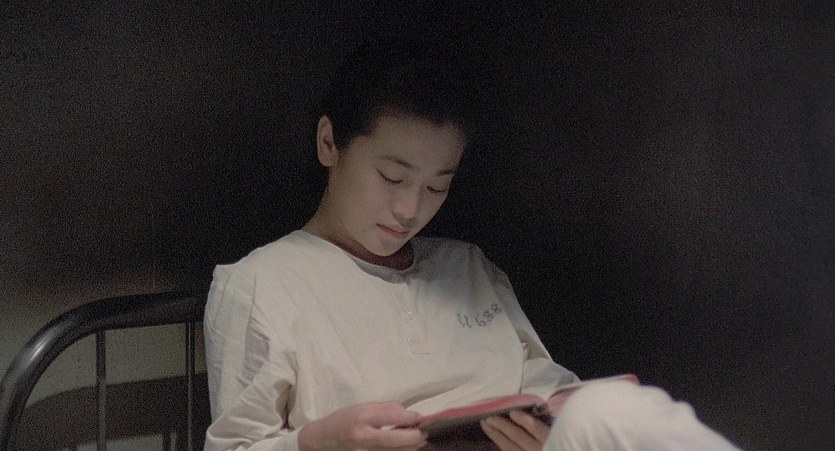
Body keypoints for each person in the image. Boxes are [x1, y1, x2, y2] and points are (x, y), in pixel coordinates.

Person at [203, 37, 740, 451]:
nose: (410, 209)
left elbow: (544, 384)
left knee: (611, 409)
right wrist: (316, 443)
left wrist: (549, 426)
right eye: (392, 177)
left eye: (436, 186)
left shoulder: (466, 267)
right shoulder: (260, 283)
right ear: (329, 143)